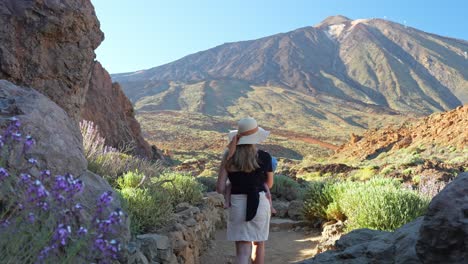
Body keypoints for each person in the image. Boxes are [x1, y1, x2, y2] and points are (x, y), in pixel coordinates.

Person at [217, 117, 274, 264]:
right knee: (259, 243)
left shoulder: (228, 157)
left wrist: (232, 185)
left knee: (242, 251)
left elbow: (220, 188)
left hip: (237, 204)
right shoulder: (265, 157)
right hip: (260, 202)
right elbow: (269, 183)